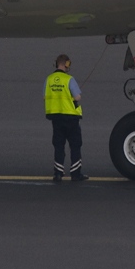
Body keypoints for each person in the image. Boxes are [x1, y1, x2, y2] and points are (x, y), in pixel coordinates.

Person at [44, 54, 89, 182]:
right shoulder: (69, 79)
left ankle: (58, 173)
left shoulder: (49, 79)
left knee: (58, 145)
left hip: (56, 117)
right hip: (70, 117)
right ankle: (75, 173)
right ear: (66, 64)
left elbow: (44, 96)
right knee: (75, 145)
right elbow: (77, 97)